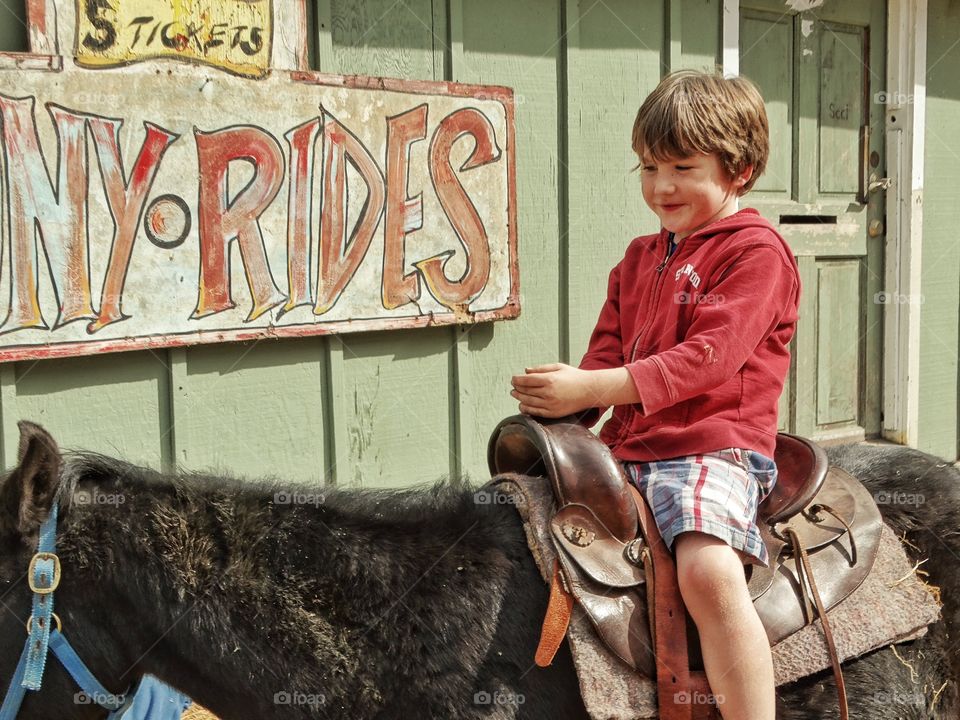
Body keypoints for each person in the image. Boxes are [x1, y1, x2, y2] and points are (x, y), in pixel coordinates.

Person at [510, 70, 800, 720]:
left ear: (740, 170)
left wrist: (595, 386)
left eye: (681, 167)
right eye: (647, 167)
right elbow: (606, 359)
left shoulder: (757, 253)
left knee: (706, 570)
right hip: (627, 449)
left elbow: (708, 359)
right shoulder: (639, 259)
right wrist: (564, 405)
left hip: (711, 451)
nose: (660, 186)